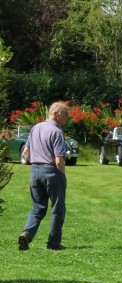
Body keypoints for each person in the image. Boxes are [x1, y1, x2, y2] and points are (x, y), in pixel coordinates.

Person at [18, 102, 69, 251]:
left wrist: (35, 162)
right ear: (56, 114)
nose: (68, 117)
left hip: (35, 171)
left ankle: (27, 234)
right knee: (58, 208)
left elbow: (26, 151)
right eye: (66, 114)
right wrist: (62, 174)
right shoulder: (57, 131)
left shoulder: (36, 128)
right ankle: (53, 243)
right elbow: (59, 159)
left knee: (37, 208)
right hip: (52, 172)